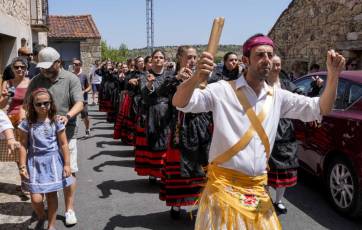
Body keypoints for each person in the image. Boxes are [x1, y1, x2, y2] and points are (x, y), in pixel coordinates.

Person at [172, 33, 345, 229]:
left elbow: (322, 108)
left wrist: (333, 76)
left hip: (258, 191)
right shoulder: (222, 90)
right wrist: (196, 77)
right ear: (245, 60)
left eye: (270, 55)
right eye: (260, 55)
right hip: (222, 189)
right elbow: (180, 102)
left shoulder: (279, 97)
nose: (267, 60)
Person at [24, 47, 84, 226]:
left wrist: (68, 116)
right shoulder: (37, 80)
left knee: (69, 171)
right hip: (42, 136)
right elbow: (27, 103)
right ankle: (48, 205)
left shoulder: (71, 79)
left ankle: (69, 209)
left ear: (58, 63)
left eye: (48, 68)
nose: (44, 71)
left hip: (67, 132)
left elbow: (79, 103)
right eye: (42, 68)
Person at [155, 46, 211, 219]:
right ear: (180, 58)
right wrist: (178, 79)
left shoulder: (205, 76)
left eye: (195, 57)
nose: (193, 61)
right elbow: (160, 93)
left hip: (201, 127)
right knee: (178, 167)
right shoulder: (172, 77)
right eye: (189, 57)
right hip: (180, 127)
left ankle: (201, 204)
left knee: (202, 167)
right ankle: (177, 205)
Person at [19, 88, 74, 230]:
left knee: (51, 195)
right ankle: (42, 215)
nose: (43, 106)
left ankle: (51, 225)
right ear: (32, 105)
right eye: (39, 104)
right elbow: (23, 145)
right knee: (36, 198)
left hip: (52, 162)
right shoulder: (27, 123)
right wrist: (22, 166)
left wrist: (67, 164)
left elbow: (63, 144)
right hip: (35, 163)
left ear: (51, 103)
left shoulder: (56, 121)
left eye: (46, 103)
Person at [72, 58, 91, 137]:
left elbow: (89, 87)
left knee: (85, 116)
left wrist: (84, 91)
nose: (74, 65)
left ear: (80, 65)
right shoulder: (71, 75)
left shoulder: (84, 75)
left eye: (76, 64)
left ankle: (87, 128)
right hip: (73, 99)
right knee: (72, 116)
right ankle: (73, 132)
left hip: (83, 99)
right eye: (73, 64)